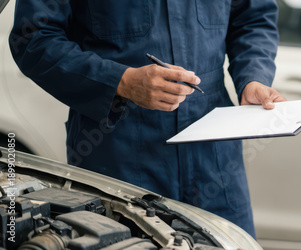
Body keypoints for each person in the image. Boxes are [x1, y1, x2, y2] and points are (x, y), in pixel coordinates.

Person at [9, 0, 285, 237]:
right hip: (116, 156)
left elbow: (253, 19)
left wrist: (252, 77)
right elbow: (34, 38)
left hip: (214, 157)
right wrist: (121, 81)